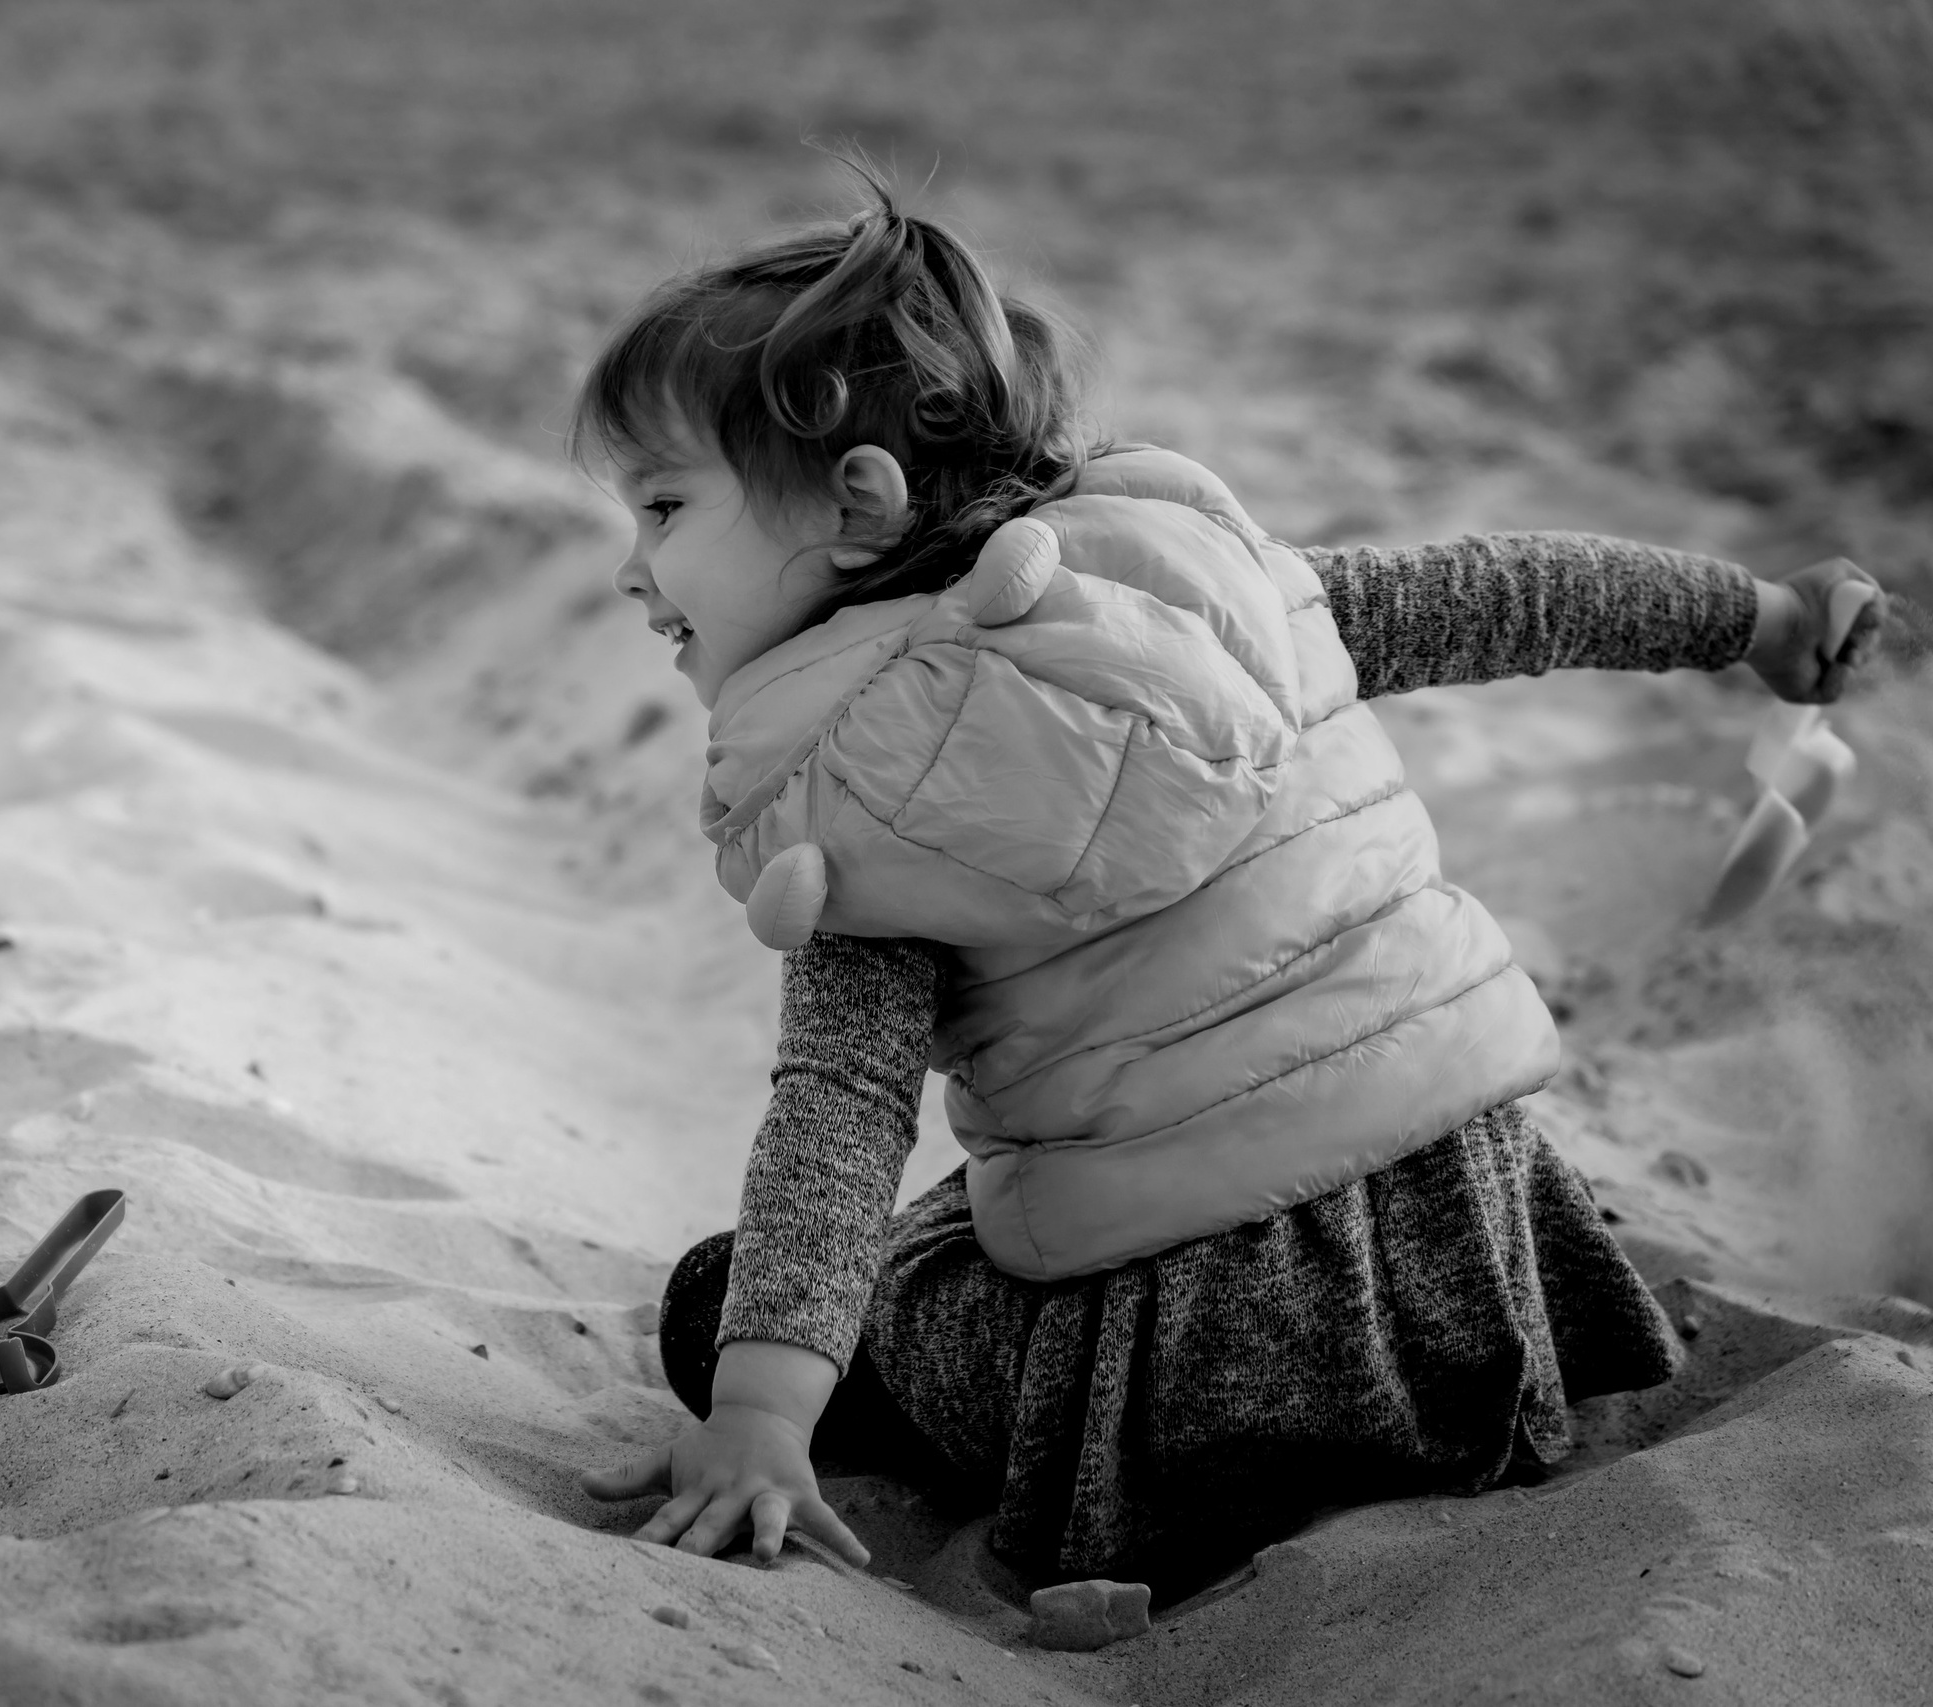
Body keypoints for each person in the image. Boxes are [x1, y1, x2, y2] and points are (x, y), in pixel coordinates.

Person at [568, 172, 1884, 1598]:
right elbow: (1509, 594)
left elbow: (838, 1113)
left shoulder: (855, 800)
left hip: (1194, 1379)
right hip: (1471, 1279)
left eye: (662, 507)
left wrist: (762, 1417)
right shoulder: (1213, 587)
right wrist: (1762, 617)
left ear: (859, 501)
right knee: (1017, 1193)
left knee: (726, 1296)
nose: (635, 573)